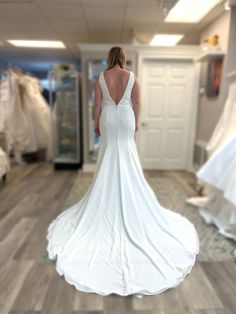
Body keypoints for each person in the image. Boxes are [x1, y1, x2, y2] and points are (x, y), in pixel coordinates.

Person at [46, 46, 200, 299]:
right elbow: (136, 102)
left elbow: (97, 105)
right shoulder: (132, 77)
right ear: (123, 58)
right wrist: (135, 121)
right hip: (125, 117)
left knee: (109, 153)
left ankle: (107, 198)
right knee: (126, 154)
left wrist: (97, 123)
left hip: (109, 116)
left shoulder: (101, 77)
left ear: (109, 58)